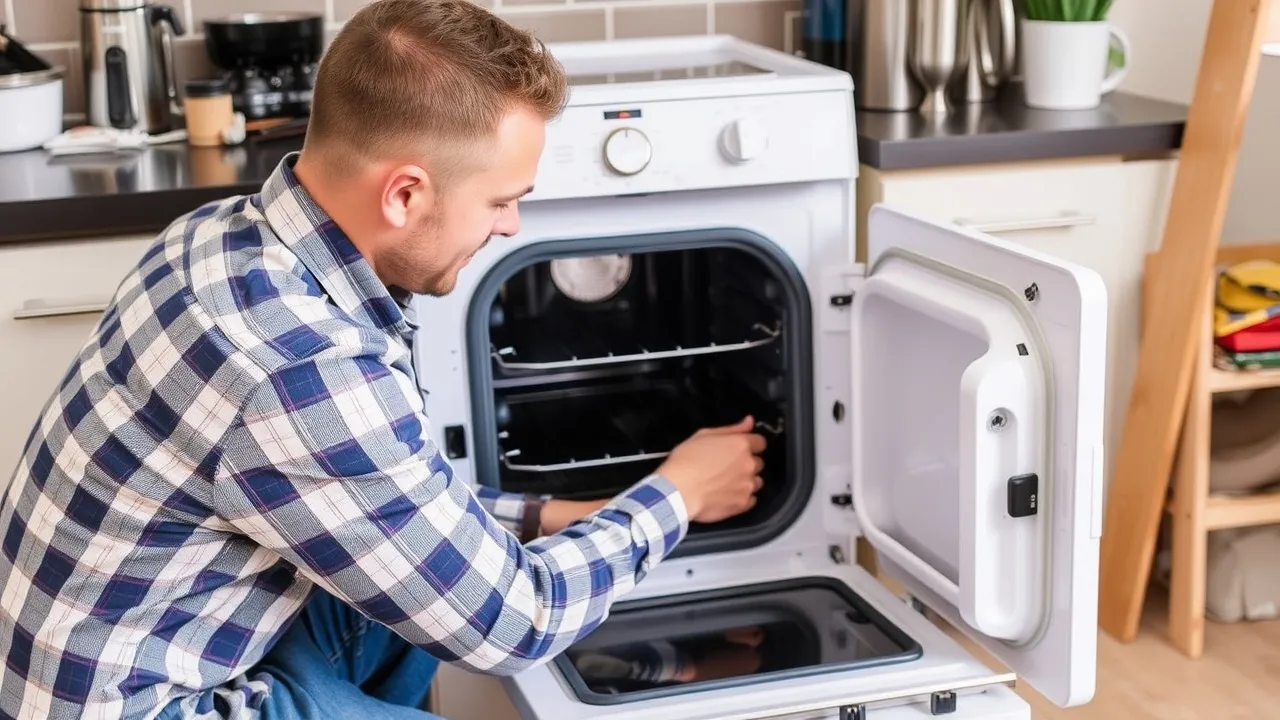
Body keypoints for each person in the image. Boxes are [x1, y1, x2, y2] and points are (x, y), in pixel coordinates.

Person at [0, 1, 767, 718]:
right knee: (460, 609)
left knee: (421, 594)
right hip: (146, 705)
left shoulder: (220, 235)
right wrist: (678, 493)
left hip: (148, 637)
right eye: (501, 199)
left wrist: (551, 517)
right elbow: (515, 622)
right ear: (404, 195)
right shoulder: (298, 366)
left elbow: (377, 493)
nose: (511, 225)